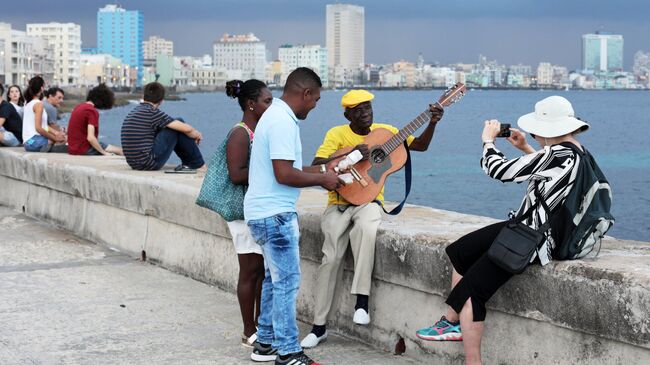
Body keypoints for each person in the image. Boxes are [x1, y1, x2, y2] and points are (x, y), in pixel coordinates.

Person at [415, 96, 591, 365]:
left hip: (534, 237)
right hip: (527, 226)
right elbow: (552, 174)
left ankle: (473, 361)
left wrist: (488, 141)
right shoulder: (576, 151)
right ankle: (451, 322)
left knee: (473, 291)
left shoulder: (558, 154)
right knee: (460, 251)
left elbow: (499, 170)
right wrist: (525, 148)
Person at [300, 89, 445, 349]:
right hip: (339, 203)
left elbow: (420, 146)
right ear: (348, 115)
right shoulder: (336, 134)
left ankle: (362, 301)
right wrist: (349, 155)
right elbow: (317, 163)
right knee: (330, 258)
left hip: (369, 201)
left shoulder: (386, 132)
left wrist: (433, 122)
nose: (366, 113)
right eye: (359, 110)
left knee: (366, 229)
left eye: (368, 108)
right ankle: (319, 326)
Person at [244, 67, 340, 365]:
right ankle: (288, 351)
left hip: (261, 212)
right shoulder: (283, 122)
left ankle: (266, 344)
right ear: (306, 93)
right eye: (316, 100)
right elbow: (284, 174)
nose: (315, 105)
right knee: (287, 283)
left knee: (274, 280)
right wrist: (324, 181)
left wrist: (327, 169)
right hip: (275, 215)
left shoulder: (272, 116)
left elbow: (291, 169)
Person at [222, 79, 273, 347]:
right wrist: (270, 172)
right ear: (251, 104)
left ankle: (260, 325)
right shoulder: (241, 133)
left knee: (261, 272)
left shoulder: (259, 131)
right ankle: (248, 330)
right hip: (242, 213)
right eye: (266, 101)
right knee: (249, 271)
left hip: (256, 209)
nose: (271, 104)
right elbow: (235, 174)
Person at [121, 82, 205, 171]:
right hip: (149, 163)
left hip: (134, 163)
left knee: (172, 125)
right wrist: (197, 134)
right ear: (161, 100)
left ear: (144, 96)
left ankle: (193, 164)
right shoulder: (152, 112)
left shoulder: (133, 112)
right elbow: (187, 129)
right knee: (178, 122)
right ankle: (197, 164)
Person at [67, 84, 123, 156]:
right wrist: (104, 153)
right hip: (83, 149)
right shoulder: (91, 111)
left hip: (73, 148)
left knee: (107, 146)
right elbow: (90, 138)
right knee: (120, 151)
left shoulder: (79, 107)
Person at [22, 76, 67, 153]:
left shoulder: (27, 103)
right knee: (63, 139)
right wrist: (55, 138)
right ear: (42, 88)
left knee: (59, 137)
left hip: (28, 142)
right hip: (34, 142)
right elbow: (38, 128)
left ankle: (49, 146)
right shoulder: (38, 104)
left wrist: (56, 133)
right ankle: (50, 147)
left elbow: (44, 127)